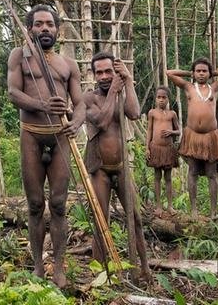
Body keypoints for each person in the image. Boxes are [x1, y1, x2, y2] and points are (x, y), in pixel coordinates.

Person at [6, 4, 85, 288]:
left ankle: (60, 267)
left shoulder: (69, 65)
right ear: (29, 29)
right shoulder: (20, 56)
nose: (44, 29)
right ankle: (39, 266)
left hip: (60, 136)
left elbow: (80, 104)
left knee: (60, 204)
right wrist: (41, 104)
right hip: (31, 133)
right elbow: (13, 93)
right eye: (38, 24)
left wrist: (76, 122)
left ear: (57, 30)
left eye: (49, 24)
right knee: (36, 204)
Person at [83, 52, 150, 277]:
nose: (104, 76)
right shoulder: (88, 98)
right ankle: (100, 274)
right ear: (93, 75)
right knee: (101, 221)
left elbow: (134, 113)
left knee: (136, 218)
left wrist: (128, 81)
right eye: (99, 72)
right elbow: (101, 121)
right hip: (99, 168)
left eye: (108, 71)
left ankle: (144, 268)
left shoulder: (122, 94)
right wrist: (113, 90)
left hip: (121, 166)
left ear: (116, 71)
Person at [166, 59, 218, 218]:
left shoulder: (215, 88)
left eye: (204, 71)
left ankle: (213, 212)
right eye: (198, 71)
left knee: (212, 173)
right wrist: (188, 73)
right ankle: (193, 210)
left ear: (209, 73)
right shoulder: (189, 87)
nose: (201, 74)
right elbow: (169, 73)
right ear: (193, 73)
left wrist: (214, 72)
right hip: (193, 136)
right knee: (193, 171)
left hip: (210, 137)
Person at [145, 86, 180, 214]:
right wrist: (147, 147)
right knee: (157, 176)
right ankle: (158, 206)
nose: (161, 100)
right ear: (155, 99)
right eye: (158, 97)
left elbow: (178, 130)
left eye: (163, 97)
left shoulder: (172, 114)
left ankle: (170, 206)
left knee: (168, 177)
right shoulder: (152, 113)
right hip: (156, 148)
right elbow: (149, 130)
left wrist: (171, 132)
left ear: (168, 99)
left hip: (168, 149)